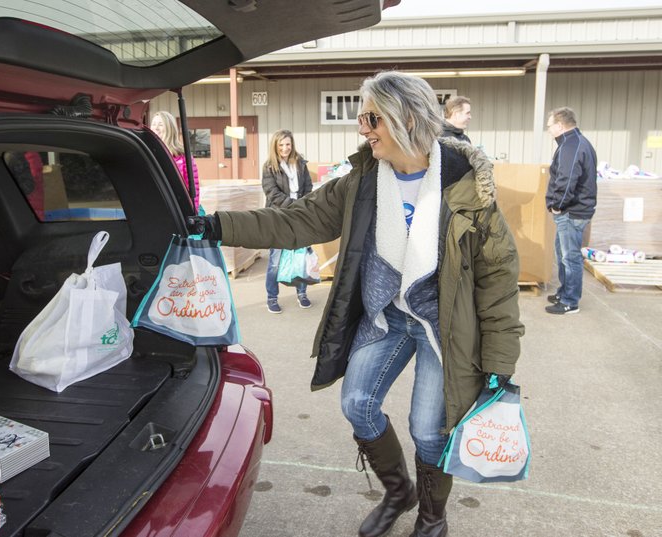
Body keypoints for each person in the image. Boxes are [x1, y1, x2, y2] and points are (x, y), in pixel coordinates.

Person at [189, 70, 524, 537]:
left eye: (370, 118)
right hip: (386, 317)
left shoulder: (468, 189)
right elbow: (295, 222)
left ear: (405, 116)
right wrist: (219, 225)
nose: (362, 129)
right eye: (360, 118)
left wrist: (500, 361)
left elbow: (498, 278)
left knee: (429, 430)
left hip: (441, 327)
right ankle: (398, 491)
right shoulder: (363, 179)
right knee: (357, 403)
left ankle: (432, 517)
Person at [544, 107, 598, 315]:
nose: (548, 130)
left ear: (560, 125)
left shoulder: (571, 146)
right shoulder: (575, 142)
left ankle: (570, 301)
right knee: (563, 253)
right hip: (574, 210)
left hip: (571, 211)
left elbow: (567, 181)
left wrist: (557, 205)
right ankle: (564, 291)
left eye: (549, 126)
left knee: (570, 257)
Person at [261, 130, 313, 313]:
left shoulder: (300, 163)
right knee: (275, 260)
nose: (285, 148)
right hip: (278, 217)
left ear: (292, 145)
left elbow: (308, 187)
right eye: (281, 145)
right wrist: (293, 206)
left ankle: (302, 294)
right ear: (275, 146)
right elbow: (272, 193)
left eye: (288, 144)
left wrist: (303, 206)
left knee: (301, 258)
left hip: (300, 216)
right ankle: (272, 297)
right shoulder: (269, 167)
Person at [150, 111, 201, 210]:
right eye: (153, 124)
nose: (156, 128)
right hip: (153, 207)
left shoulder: (183, 156)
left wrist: (193, 212)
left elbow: (193, 189)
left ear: (170, 129)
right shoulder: (147, 151)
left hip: (176, 210)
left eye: (160, 125)